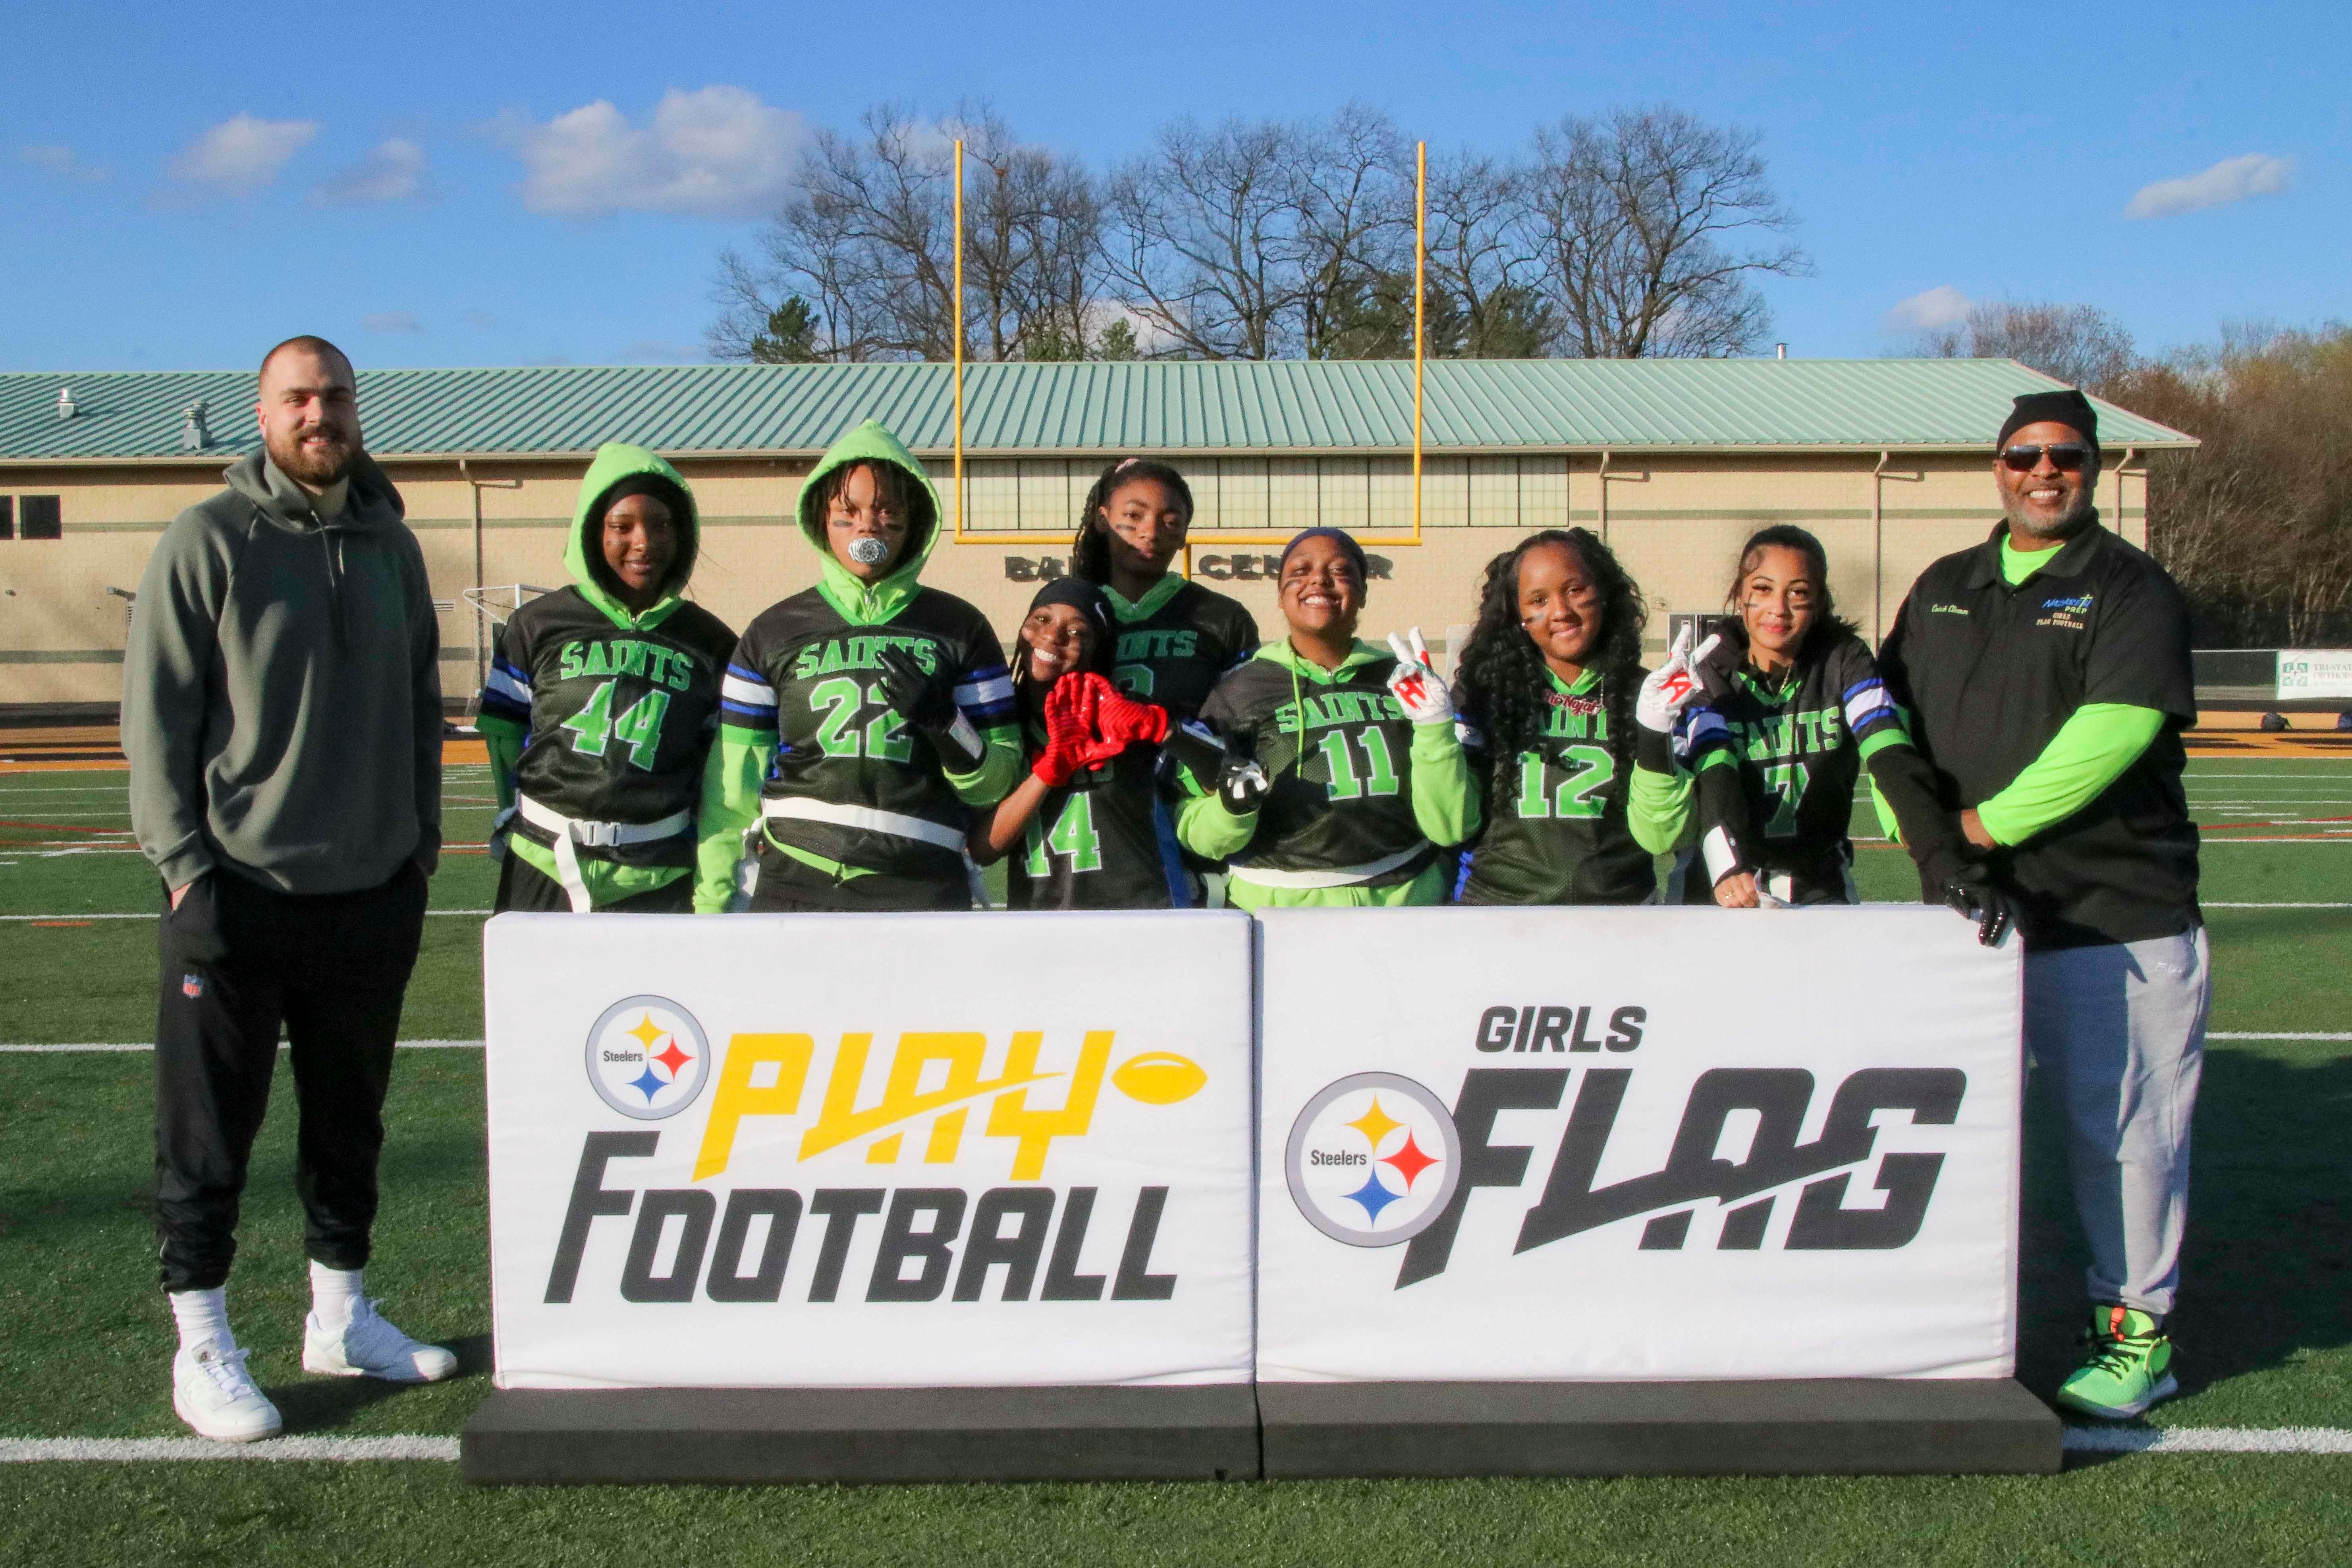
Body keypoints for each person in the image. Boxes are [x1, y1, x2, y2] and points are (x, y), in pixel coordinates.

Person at [123, 335, 455, 1444]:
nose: (321, 414)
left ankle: (340, 1314)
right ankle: (204, 1339)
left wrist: (417, 846)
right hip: (238, 886)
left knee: (348, 1122)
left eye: (336, 395)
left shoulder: (393, 544)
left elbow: (420, 706)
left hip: (369, 887)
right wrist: (184, 866)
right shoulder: (207, 538)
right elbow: (157, 714)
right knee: (210, 1132)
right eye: (299, 398)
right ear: (262, 414)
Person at [1878, 388, 2207, 1421]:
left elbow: (2111, 733)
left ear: (2094, 466)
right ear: (1996, 467)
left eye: (2063, 455)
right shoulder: (1942, 584)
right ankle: (1951, 1320)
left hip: (2111, 913)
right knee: (1950, 1129)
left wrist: (1974, 827)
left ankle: (2134, 1336)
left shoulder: (2127, 585)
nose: (2042, 471)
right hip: (1970, 921)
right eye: (2023, 454)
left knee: (2123, 1133)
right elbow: (1883, 722)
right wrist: (1918, 827)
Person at [695, 420, 1021, 912]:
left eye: (886, 510)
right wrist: (713, 906)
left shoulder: (961, 628)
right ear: (820, 519)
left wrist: (946, 725)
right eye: (848, 512)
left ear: (915, 521)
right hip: (796, 878)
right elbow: (732, 792)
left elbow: (998, 782)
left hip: (920, 883)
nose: (868, 525)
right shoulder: (773, 630)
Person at [476, 444, 737, 912]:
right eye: (622, 526)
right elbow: (503, 738)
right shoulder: (536, 624)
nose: (644, 542)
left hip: (659, 867)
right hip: (544, 859)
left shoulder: (711, 641)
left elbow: (717, 773)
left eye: (662, 525)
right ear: (592, 530)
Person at [1167, 527, 1477, 908]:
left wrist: (1435, 727)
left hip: (1405, 902)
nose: (1318, 579)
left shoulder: (1403, 681)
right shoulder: (1238, 691)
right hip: (1279, 912)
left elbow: (1452, 827)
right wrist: (1232, 811)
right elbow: (1198, 834)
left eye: (1341, 571)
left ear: (1362, 593)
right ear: (1280, 597)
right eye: (1300, 571)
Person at [1676, 525, 1960, 908]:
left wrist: (1946, 865)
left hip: (1818, 884)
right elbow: (1715, 772)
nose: (1779, 608)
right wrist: (1727, 865)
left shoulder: (1844, 660)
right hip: (1719, 882)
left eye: (1798, 592)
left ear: (1820, 602)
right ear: (1739, 594)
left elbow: (1889, 752)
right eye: (1762, 589)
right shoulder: (1709, 666)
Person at [1450, 528, 1694, 904]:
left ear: (1605, 595)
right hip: (1501, 915)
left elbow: (1662, 836)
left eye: (1575, 590)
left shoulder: (1649, 695)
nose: (1561, 611)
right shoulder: (1487, 695)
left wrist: (1653, 731)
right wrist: (1433, 729)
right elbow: (1448, 824)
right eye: (1538, 599)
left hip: (1618, 916)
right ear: (1519, 615)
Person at [966, 578, 1185, 909]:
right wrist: (1048, 772)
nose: (1052, 636)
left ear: (1098, 648)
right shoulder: (1004, 726)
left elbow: (1218, 779)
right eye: (1041, 619)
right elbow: (981, 850)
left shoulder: (1127, 718)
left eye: (1077, 632)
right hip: (1041, 921)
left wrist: (1160, 728)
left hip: (1140, 917)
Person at [1069, 457, 1258, 721]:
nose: (1151, 532)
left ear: (1183, 535)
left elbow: (1247, 721)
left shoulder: (1223, 617)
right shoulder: (1072, 612)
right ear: (1103, 520)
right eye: (1133, 515)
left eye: (1169, 521)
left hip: (1192, 763)